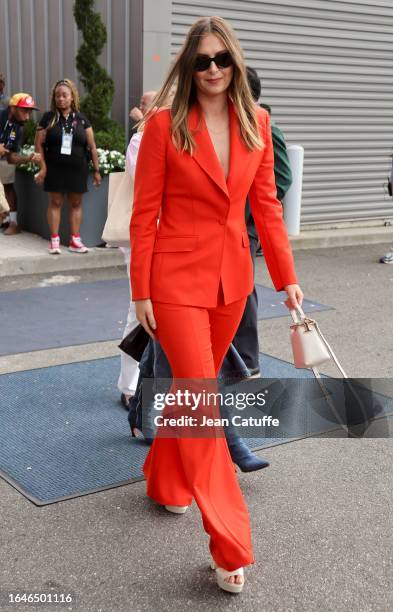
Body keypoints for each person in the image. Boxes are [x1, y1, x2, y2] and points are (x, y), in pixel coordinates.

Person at [130, 16, 303, 594]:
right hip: (174, 280)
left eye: (221, 60)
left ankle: (163, 481)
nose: (211, 70)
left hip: (232, 281)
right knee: (202, 398)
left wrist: (287, 278)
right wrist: (141, 289)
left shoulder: (256, 122)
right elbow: (143, 213)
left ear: (235, 63)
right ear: (187, 65)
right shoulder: (164, 126)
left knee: (188, 390)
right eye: (201, 61)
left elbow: (267, 208)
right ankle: (230, 542)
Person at [231, 67, 293, 378]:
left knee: (243, 291)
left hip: (247, 225)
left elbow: (281, 180)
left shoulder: (266, 127)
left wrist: (250, 209)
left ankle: (247, 359)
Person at [118, 89, 157, 409]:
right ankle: (128, 385)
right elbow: (143, 178)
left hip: (168, 239)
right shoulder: (139, 142)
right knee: (138, 309)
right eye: (150, 105)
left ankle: (150, 382)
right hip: (140, 238)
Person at [34, 79, 101, 254]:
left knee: (77, 203)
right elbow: (38, 145)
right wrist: (43, 168)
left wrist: (97, 170)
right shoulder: (48, 118)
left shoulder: (82, 119)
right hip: (54, 167)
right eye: (57, 96)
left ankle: (75, 241)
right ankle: (55, 241)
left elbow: (92, 146)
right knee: (55, 202)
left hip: (77, 168)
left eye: (64, 95)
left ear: (72, 97)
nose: (60, 99)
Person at [0, 93, 41, 234]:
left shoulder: (19, 128)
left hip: (3, 161)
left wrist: (27, 158)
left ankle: (12, 222)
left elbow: (11, 157)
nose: (28, 116)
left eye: (29, 112)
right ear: (13, 108)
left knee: (8, 185)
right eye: (25, 110)